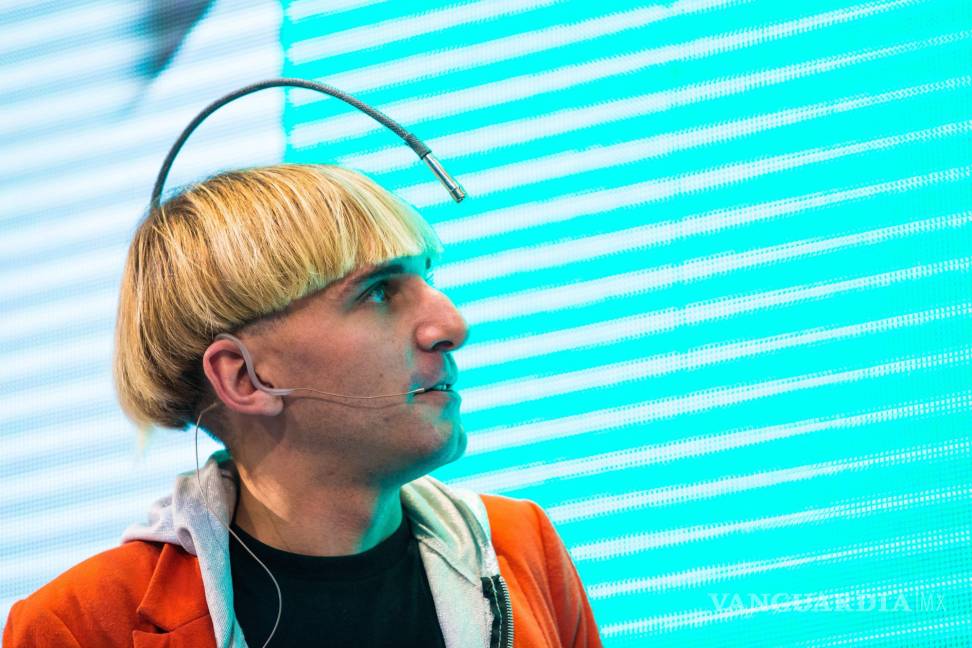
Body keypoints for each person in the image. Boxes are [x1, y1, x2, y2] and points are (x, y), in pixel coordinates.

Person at [3, 164, 603, 647]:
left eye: (427, 278)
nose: (451, 325)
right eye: (379, 292)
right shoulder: (79, 628)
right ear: (246, 378)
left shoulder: (523, 547)